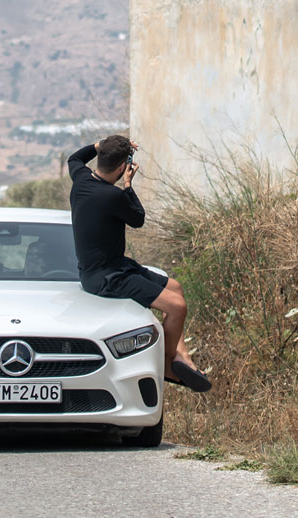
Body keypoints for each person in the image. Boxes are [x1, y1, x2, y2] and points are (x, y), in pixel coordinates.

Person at [67, 134, 210, 392]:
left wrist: (102, 145)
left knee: (175, 288)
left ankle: (182, 357)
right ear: (123, 167)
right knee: (177, 307)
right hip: (107, 278)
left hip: (113, 267)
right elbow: (138, 218)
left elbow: (75, 158)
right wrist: (128, 185)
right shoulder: (112, 196)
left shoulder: (81, 179)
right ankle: (166, 365)